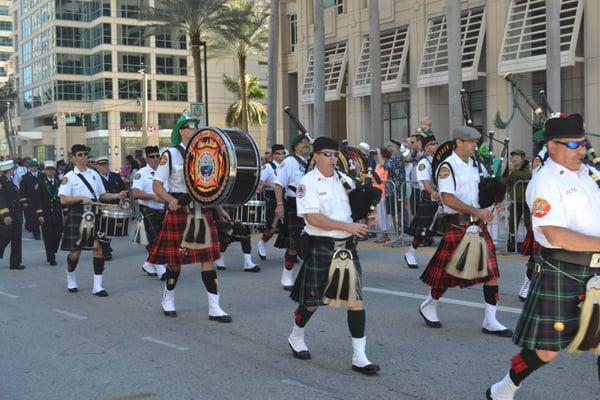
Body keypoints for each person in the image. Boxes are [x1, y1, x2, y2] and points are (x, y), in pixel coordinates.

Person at [486, 113, 600, 399]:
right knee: (546, 351)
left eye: (583, 143)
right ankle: (506, 387)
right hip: (565, 270)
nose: (582, 150)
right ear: (552, 146)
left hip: (597, 271)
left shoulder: (589, 173)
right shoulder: (545, 181)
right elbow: (554, 235)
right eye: (573, 145)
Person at [286, 136, 380, 375]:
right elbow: (312, 218)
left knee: (356, 300)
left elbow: (353, 208)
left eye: (333, 154)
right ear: (315, 156)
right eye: (326, 153)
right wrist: (347, 227)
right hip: (321, 246)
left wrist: (367, 215)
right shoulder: (306, 183)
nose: (331, 158)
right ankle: (296, 336)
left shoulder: (344, 180)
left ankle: (360, 356)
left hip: (346, 249)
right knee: (311, 303)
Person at [418, 126, 512, 337]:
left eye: (475, 142)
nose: (474, 146)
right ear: (458, 142)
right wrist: (476, 211)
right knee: (446, 273)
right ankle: (429, 304)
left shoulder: (476, 165)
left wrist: (497, 201)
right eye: (470, 142)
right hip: (457, 224)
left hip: (477, 226)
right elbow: (448, 198)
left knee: (491, 272)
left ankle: (490, 320)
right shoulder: (447, 167)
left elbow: (485, 190)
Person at [148, 115, 231, 322]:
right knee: (175, 261)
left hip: (202, 209)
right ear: (181, 132)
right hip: (179, 207)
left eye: (196, 127)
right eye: (189, 127)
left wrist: (219, 209)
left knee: (208, 259)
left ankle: (215, 307)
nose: (194, 129)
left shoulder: (206, 152)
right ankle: (168, 298)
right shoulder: (171, 154)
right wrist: (169, 200)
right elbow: (157, 184)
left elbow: (210, 185)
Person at [58, 144, 128, 296]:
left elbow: (102, 195)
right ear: (73, 157)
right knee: (75, 253)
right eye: (80, 154)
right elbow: (63, 200)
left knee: (98, 249)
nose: (83, 157)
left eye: (85, 154)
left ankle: (98, 286)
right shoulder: (68, 177)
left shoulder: (94, 174)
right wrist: (81, 198)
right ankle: (71, 277)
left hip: (95, 214)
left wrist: (117, 196)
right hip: (78, 214)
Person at [274, 133, 311, 290]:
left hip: (312, 205)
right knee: (294, 244)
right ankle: (286, 276)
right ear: (295, 146)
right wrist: (280, 204)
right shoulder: (289, 162)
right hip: (295, 205)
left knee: (313, 242)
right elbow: (278, 184)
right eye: (302, 142)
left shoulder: (313, 162)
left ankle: (310, 278)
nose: (306, 145)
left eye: (307, 143)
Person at [131, 146, 167, 280]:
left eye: (158, 156)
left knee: (163, 240)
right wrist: (153, 197)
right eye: (152, 157)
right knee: (156, 240)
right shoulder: (142, 173)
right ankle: (161, 269)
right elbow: (135, 193)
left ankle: (148, 264)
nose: (156, 159)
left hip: (163, 210)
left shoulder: (164, 172)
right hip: (148, 210)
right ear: (146, 158)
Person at [404, 135, 439, 268]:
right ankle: (410, 253)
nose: (435, 146)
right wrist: (433, 193)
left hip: (441, 197)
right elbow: (425, 182)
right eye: (432, 144)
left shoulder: (438, 160)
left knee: (445, 229)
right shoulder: (424, 162)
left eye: (436, 143)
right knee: (422, 231)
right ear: (425, 147)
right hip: (428, 197)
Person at [257, 144, 286, 260]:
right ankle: (263, 242)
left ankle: (291, 252)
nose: (282, 155)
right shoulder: (269, 167)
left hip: (286, 197)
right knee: (272, 226)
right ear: (273, 155)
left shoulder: (286, 166)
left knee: (287, 227)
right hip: (272, 197)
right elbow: (260, 180)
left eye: (283, 153)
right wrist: (272, 185)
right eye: (279, 153)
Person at [95, 156, 127, 261]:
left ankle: (106, 248)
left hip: (114, 207)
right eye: (101, 165)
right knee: (102, 230)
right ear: (97, 166)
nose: (104, 167)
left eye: (106, 164)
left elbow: (124, 190)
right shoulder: (94, 177)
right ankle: (106, 251)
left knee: (110, 230)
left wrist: (126, 202)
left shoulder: (115, 176)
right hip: (100, 207)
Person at [501, 150, 532, 253]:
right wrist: (509, 172)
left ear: (522, 159)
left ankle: (530, 243)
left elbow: (526, 176)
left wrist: (513, 171)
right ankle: (512, 243)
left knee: (528, 222)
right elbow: (503, 181)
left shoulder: (528, 167)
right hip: (515, 200)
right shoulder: (510, 168)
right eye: (513, 157)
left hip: (526, 201)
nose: (514, 159)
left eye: (516, 157)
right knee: (512, 224)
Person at [33, 161, 63, 266]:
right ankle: (51, 258)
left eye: (52, 169)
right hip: (46, 214)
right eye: (48, 169)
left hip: (57, 213)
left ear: (55, 171)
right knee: (48, 237)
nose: (50, 171)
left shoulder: (59, 182)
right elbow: (37, 200)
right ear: (45, 171)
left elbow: (62, 197)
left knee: (58, 234)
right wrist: (40, 215)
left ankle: (53, 250)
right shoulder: (40, 183)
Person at [0, 160, 25, 270]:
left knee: (17, 240)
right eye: (14, 169)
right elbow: (1, 199)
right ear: (9, 170)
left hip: (16, 215)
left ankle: (15, 263)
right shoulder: (2, 181)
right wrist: (5, 214)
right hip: (8, 216)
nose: (15, 170)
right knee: (5, 238)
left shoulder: (10, 180)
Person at [20, 159, 42, 240]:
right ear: (29, 167)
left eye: (35, 166)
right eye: (32, 166)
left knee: (42, 217)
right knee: (33, 218)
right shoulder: (25, 177)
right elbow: (22, 190)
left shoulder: (42, 175)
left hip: (41, 200)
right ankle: (36, 234)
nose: (34, 168)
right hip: (31, 200)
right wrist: (24, 201)